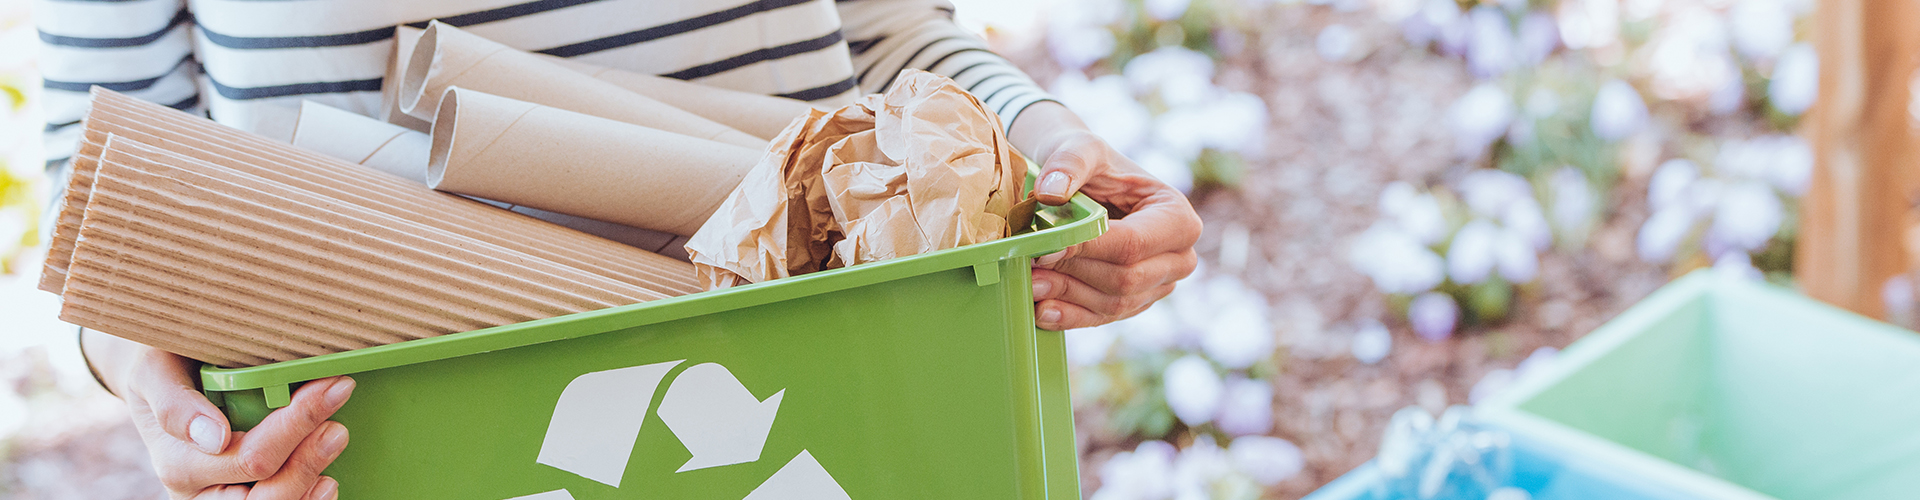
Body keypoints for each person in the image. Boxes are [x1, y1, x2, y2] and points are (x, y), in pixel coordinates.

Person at [40, 0, 1203, 497]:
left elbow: (884, 32)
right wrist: (158, 387)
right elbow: (104, 160)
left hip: (838, 358)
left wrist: (1060, 159)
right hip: (400, 424)